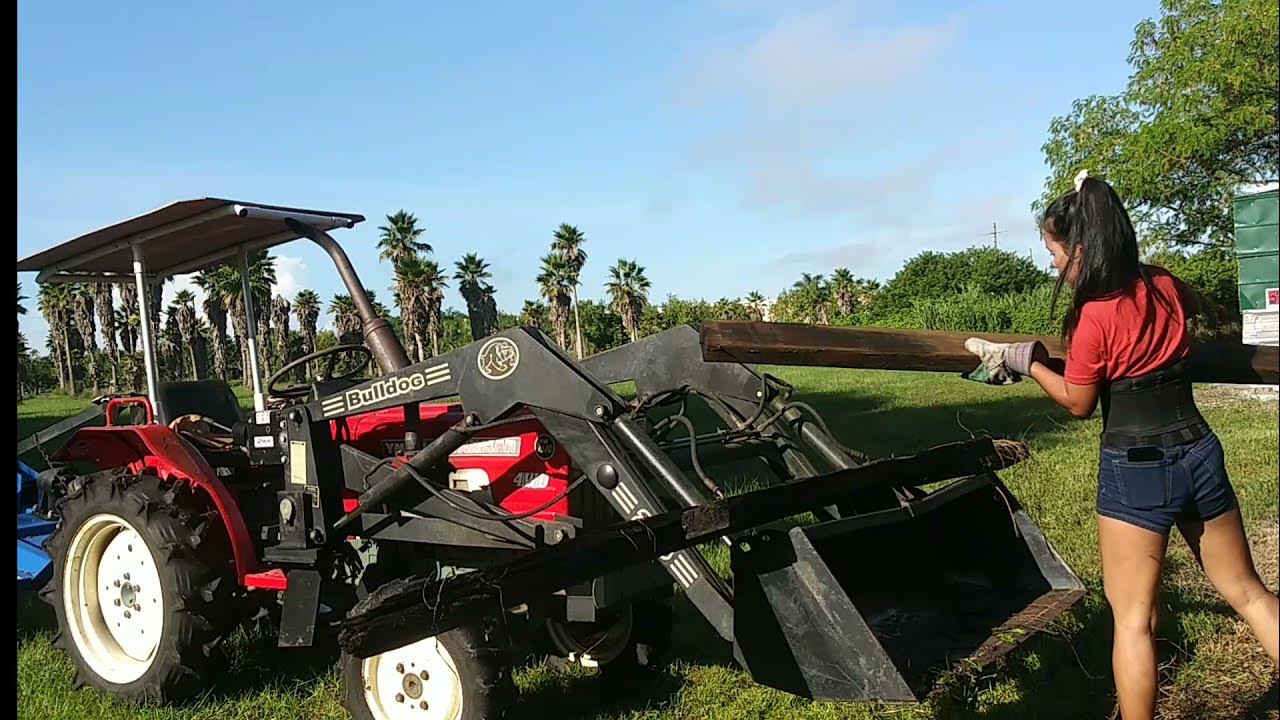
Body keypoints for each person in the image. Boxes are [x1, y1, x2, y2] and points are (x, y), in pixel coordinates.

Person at [966, 170, 1279, 720]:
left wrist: (1028, 362)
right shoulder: (1163, 283)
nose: (1054, 264)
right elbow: (1196, 312)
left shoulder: (1095, 317)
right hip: (1199, 448)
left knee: (1133, 620)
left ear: (1081, 248)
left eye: (1054, 251)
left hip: (1136, 466)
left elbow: (1079, 402)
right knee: (1248, 593)